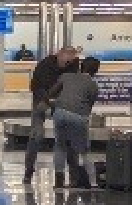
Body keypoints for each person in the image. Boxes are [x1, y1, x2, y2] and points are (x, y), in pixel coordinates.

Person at [23, 47, 79, 186]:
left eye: (70, 61)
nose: (67, 64)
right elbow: (36, 86)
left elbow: (70, 86)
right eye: (66, 61)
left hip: (61, 102)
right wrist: (48, 102)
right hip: (42, 100)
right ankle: (28, 171)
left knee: (68, 138)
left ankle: (72, 174)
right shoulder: (44, 65)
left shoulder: (73, 67)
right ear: (59, 55)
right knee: (36, 135)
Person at [49, 57, 101, 189]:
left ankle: (58, 181)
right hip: (79, 116)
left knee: (60, 146)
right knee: (84, 151)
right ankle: (92, 182)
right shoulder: (93, 85)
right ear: (96, 71)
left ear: (81, 66)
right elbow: (89, 106)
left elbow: (52, 93)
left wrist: (56, 104)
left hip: (60, 113)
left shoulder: (66, 76)